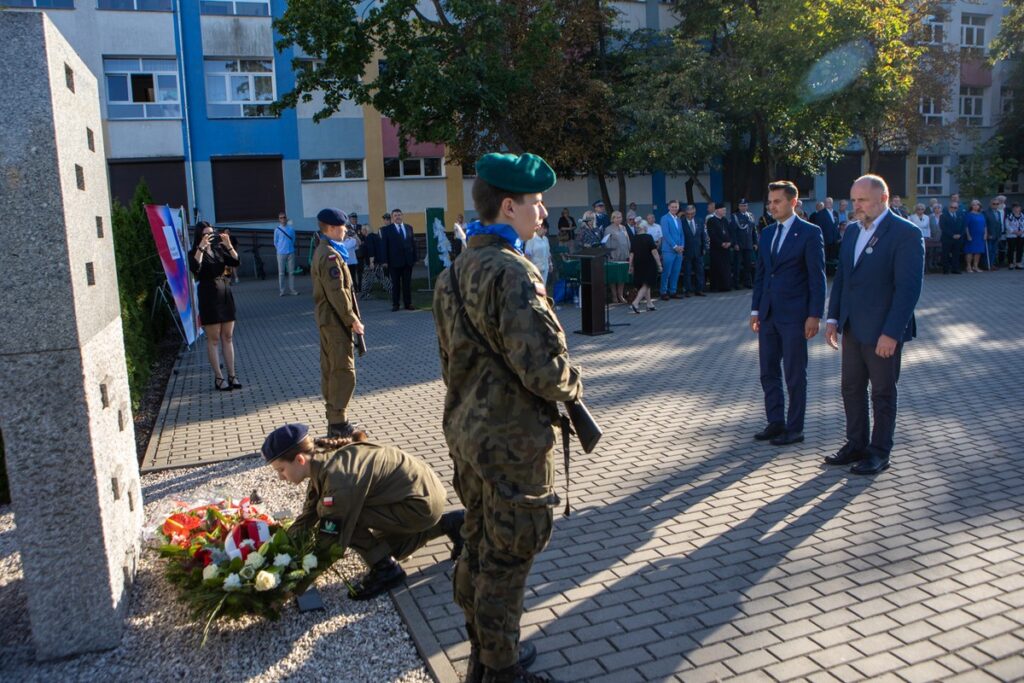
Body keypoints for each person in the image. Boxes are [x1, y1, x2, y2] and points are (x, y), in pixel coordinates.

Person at [433, 152, 583, 683]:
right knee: (508, 556)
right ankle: (501, 669)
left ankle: (483, 650)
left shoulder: (452, 273)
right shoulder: (512, 272)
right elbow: (543, 371)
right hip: (511, 442)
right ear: (508, 206)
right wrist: (575, 382)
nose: (542, 213)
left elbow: (450, 362)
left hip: (467, 434)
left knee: (477, 544)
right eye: (535, 203)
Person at [262, 423, 465, 600]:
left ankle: (386, 571)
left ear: (300, 460)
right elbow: (307, 517)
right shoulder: (321, 463)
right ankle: (452, 523)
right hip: (421, 495)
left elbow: (331, 540)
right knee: (388, 548)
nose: (281, 478)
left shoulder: (338, 480)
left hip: (421, 505)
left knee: (347, 523)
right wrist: (276, 553)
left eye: (281, 470)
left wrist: (290, 589)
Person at [824, 175, 924, 475]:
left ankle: (879, 451)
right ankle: (856, 444)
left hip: (883, 331)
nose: (856, 206)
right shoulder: (853, 231)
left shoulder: (905, 233)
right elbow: (843, 277)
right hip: (854, 327)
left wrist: (891, 333)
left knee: (882, 393)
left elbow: (908, 289)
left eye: (862, 200)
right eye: (854, 200)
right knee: (851, 387)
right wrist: (833, 319)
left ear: (883, 198)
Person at [751, 180, 825, 446]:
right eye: (769, 202)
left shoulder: (810, 232)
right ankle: (775, 422)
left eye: (777, 201)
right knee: (768, 372)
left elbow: (817, 278)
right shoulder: (767, 233)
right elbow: (761, 274)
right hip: (769, 314)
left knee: (794, 374)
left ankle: (795, 428)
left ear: (793, 202)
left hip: (796, 315)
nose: (772, 206)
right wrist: (755, 309)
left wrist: (815, 314)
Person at [312, 208, 365, 438]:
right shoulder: (330, 255)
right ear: (332, 228)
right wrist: (352, 319)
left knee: (332, 368)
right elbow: (338, 292)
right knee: (343, 370)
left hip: (329, 320)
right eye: (343, 227)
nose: (345, 230)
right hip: (335, 321)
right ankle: (338, 422)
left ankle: (336, 419)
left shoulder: (326, 251)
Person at [189, 222, 243, 391]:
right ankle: (219, 378)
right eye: (206, 234)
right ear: (199, 236)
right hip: (208, 296)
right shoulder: (195, 252)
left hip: (225, 294)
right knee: (213, 339)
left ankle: (232, 375)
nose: (210, 237)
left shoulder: (219, 249)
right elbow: (194, 268)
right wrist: (201, 248)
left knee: (228, 337)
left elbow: (235, 262)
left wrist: (228, 246)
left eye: (212, 233)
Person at [382, 208, 418, 311]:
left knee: (407, 284)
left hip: (408, 261)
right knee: (396, 284)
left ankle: (408, 304)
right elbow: (384, 246)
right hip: (394, 262)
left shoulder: (409, 228)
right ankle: (396, 304)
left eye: (399, 215)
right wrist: (385, 261)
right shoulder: (387, 230)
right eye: (395, 215)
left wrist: (414, 258)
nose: (398, 217)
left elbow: (413, 243)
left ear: (402, 216)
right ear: (392, 218)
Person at [628, 219, 662, 313]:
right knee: (648, 283)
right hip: (648, 263)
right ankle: (635, 302)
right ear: (645, 227)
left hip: (638, 263)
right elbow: (654, 252)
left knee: (645, 283)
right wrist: (659, 264)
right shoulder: (648, 237)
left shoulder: (634, 238)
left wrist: (630, 266)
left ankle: (649, 304)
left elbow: (631, 254)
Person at [659, 200, 686, 301]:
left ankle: (673, 291)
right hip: (669, 250)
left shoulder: (678, 219)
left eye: (676, 207)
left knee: (676, 271)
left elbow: (682, 234)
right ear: (669, 207)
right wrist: (675, 246)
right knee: (667, 272)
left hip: (679, 250)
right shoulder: (664, 218)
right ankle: (663, 292)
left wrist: (682, 246)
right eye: (673, 207)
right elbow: (666, 234)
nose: (674, 208)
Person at [603, 211, 631, 304]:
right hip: (614, 256)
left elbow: (627, 240)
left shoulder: (623, 227)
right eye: (617, 217)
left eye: (620, 217)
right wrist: (610, 254)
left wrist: (629, 252)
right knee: (614, 277)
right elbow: (607, 243)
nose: (619, 219)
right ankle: (614, 296)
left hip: (624, 255)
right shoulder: (608, 229)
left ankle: (621, 295)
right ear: (613, 218)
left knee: (622, 277)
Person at [729, 199, 756, 289]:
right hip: (739, 245)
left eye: (745, 206)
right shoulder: (735, 216)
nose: (743, 207)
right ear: (739, 207)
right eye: (741, 206)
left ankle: (747, 283)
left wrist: (755, 242)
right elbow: (733, 232)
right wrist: (735, 243)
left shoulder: (750, 216)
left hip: (748, 244)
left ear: (747, 206)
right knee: (737, 265)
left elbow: (753, 231)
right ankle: (736, 283)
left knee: (748, 265)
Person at [680, 205, 705, 297]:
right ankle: (687, 290)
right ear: (686, 213)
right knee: (687, 271)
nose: (690, 215)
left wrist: (703, 248)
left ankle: (699, 289)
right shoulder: (682, 223)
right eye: (688, 214)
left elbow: (702, 235)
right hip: (687, 251)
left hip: (698, 250)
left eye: (692, 213)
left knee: (700, 271)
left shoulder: (699, 221)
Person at [707, 204, 732, 292]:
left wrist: (729, 242)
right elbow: (712, 235)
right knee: (717, 267)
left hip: (726, 249)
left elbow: (728, 232)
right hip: (716, 249)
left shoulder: (725, 220)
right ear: (717, 210)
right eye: (723, 210)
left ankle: (725, 286)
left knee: (726, 268)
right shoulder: (711, 220)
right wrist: (721, 243)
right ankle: (716, 287)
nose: (725, 212)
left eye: (725, 210)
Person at [274, 212, 299, 296]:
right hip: (281, 253)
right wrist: (279, 249)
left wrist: (290, 247)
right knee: (281, 273)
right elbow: (275, 242)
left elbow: (293, 239)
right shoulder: (277, 230)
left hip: (290, 252)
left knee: (291, 272)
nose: (283, 219)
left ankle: (292, 290)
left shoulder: (291, 229)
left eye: (284, 217)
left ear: (286, 218)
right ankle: (282, 291)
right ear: (279, 220)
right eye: (281, 218)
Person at [814, 197, 840, 270]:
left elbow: (836, 225)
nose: (828, 203)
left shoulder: (835, 213)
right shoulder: (820, 214)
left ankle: (832, 271)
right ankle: (827, 272)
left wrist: (838, 237)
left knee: (834, 257)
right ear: (824, 203)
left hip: (834, 239)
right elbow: (819, 227)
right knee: (827, 258)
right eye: (826, 202)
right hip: (826, 239)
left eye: (829, 202)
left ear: (832, 203)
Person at [940, 199, 966, 274]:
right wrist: (952, 235)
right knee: (946, 254)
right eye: (952, 207)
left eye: (955, 208)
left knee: (956, 254)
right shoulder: (943, 216)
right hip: (947, 238)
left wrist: (960, 234)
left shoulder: (961, 215)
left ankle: (955, 269)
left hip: (958, 238)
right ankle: (946, 269)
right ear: (949, 207)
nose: (954, 209)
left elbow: (964, 226)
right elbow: (943, 227)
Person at [963, 199, 987, 273]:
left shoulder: (982, 214)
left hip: (980, 236)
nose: (976, 206)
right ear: (971, 206)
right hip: (972, 235)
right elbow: (966, 226)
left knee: (978, 252)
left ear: (979, 206)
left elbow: (985, 226)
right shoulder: (968, 214)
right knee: (969, 251)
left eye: (977, 204)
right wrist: (968, 235)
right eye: (974, 204)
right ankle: (968, 266)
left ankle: (975, 266)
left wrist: (985, 234)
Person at [983, 198, 1004, 270]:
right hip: (990, 235)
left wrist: (1000, 234)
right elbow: (985, 225)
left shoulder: (998, 212)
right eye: (994, 204)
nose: (995, 205)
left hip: (997, 235)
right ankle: (987, 265)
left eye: (997, 204)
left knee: (994, 251)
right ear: (990, 204)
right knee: (988, 251)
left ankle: (992, 264)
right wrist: (987, 234)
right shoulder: (985, 212)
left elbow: (999, 224)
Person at [1005, 203, 1024, 269]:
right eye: (1015, 207)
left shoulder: (1023, 216)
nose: (1016, 209)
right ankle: (1010, 263)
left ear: (1020, 208)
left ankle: (1018, 263)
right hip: (1012, 235)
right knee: (1011, 249)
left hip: (1021, 235)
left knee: (1020, 249)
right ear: (1012, 208)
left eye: (1018, 207)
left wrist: (1021, 231)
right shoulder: (1009, 216)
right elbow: (1007, 225)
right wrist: (1014, 231)